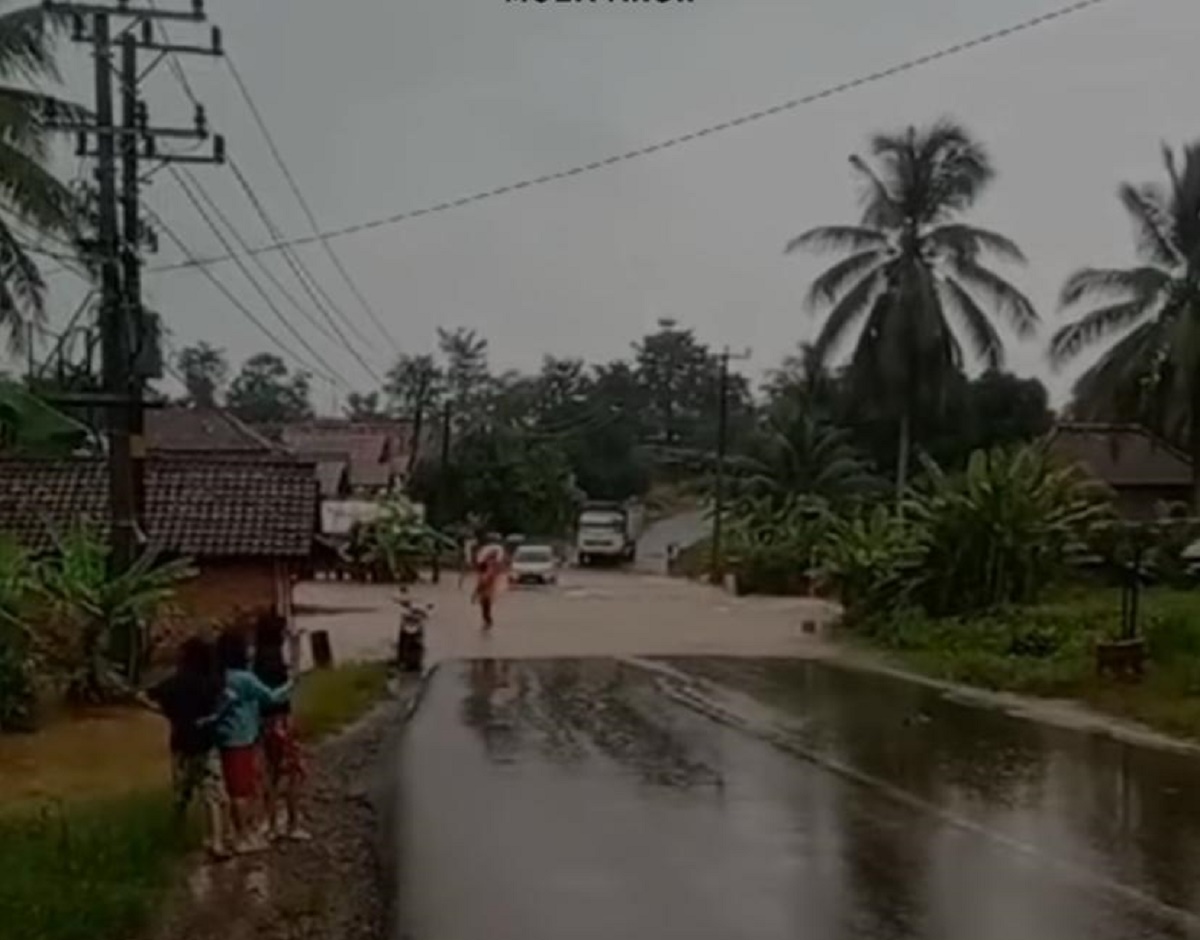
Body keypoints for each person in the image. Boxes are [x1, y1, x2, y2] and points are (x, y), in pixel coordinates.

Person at [143, 637, 233, 861]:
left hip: (182, 744)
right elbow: (228, 698)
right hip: (207, 743)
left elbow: (143, 695)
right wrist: (214, 716)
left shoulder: (174, 683)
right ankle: (217, 842)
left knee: (181, 795)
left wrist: (163, 712)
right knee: (212, 795)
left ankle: (176, 837)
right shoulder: (213, 681)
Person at [215, 628, 293, 854]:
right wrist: (292, 683)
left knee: (233, 789)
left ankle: (237, 834)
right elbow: (271, 697)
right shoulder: (244, 678)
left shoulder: (221, 676)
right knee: (241, 791)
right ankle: (242, 838)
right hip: (241, 738)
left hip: (225, 737)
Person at [253, 614, 311, 842]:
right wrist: (296, 647)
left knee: (269, 773)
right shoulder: (275, 660)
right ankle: (292, 824)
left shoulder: (257, 658)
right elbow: (294, 680)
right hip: (280, 721)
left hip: (263, 722)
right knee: (291, 774)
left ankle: (268, 822)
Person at [471, 540, 506, 630]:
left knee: (485, 606)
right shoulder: (489, 567)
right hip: (487, 591)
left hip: (487, 592)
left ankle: (488, 621)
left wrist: (475, 594)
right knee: (485, 607)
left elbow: (483, 582)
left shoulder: (489, 568)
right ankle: (487, 621)